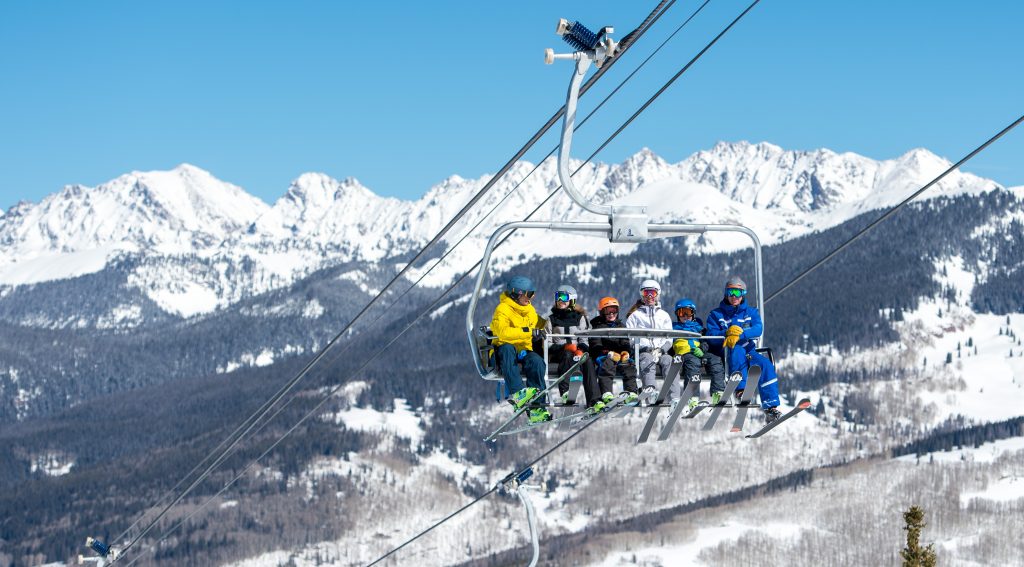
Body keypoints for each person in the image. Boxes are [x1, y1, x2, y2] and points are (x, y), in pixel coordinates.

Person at [705, 276, 782, 424]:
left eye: (738, 293)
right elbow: (711, 336)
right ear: (726, 293)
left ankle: (771, 407)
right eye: (730, 292)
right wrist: (726, 333)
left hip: (750, 351)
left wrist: (742, 333)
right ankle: (740, 390)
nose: (734, 296)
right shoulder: (716, 314)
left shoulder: (750, 313)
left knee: (765, 365)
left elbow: (758, 329)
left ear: (743, 294)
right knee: (737, 349)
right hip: (727, 352)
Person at [490, 275, 551, 423]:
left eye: (533, 293)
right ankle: (518, 393)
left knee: (537, 362)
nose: (532, 297)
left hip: (523, 350)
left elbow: (542, 323)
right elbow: (502, 333)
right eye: (529, 294)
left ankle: (537, 408)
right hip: (502, 351)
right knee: (507, 348)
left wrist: (558, 317)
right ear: (517, 293)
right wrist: (527, 331)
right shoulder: (503, 309)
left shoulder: (529, 309)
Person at [542, 284, 605, 413]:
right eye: (557, 297)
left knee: (587, 360)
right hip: (559, 353)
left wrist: (581, 349)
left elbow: (584, 337)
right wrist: (564, 347)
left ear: (572, 300)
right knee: (567, 354)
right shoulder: (551, 319)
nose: (560, 301)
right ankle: (566, 392)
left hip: (577, 351)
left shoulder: (580, 318)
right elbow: (546, 343)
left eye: (564, 297)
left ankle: (594, 400)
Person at [625, 279, 676, 405]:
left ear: (657, 294)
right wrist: (645, 348)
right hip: (643, 352)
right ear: (641, 295)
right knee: (647, 359)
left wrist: (661, 350)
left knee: (669, 360)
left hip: (660, 352)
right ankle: (651, 391)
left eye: (652, 293)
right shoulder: (635, 316)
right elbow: (630, 338)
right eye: (646, 292)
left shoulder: (664, 316)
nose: (649, 296)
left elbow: (669, 337)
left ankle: (674, 397)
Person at [671, 298, 726, 410]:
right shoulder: (674, 328)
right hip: (685, 353)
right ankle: (692, 397)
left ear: (693, 314)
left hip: (699, 351)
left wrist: (702, 348)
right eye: (682, 313)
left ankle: (718, 392)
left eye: (688, 312)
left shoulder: (699, 328)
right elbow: (668, 342)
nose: (685, 316)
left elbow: (706, 341)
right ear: (677, 314)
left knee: (715, 359)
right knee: (693, 363)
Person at [588, 296, 639, 404]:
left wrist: (626, 352)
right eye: (608, 312)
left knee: (629, 365)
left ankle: (631, 392)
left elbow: (625, 343)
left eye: (614, 311)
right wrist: (607, 353)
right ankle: (606, 393)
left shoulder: (621, 326)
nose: (611, 314)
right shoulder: (597, 327)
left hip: (619, 356)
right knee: (607, 365)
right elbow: (595, 345)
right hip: (604, 356)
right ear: (602, 313)